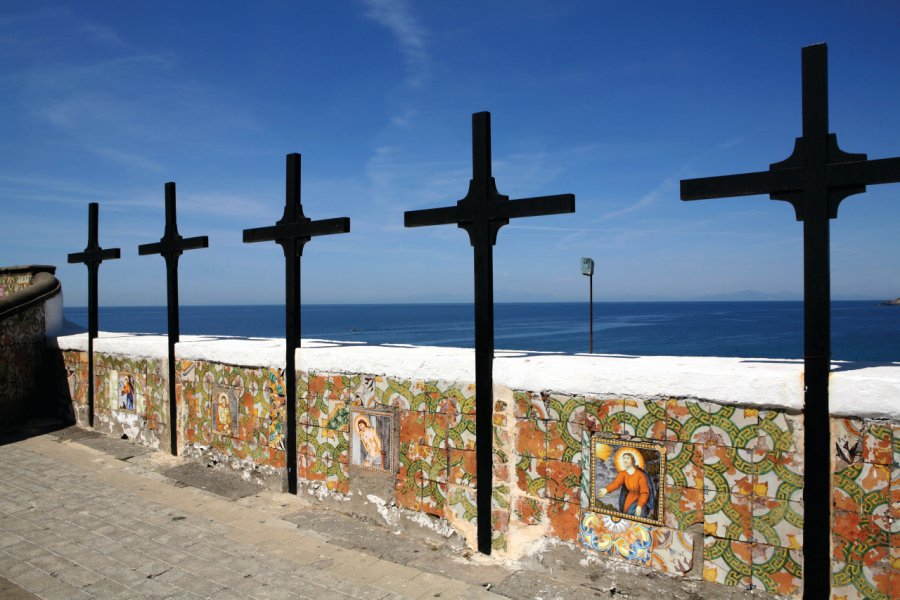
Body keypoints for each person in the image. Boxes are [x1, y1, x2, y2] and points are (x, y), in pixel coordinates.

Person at [596, 451, 656, 518]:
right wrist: (606, 489)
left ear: (632, 460)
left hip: (640, 499)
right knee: (626, 514)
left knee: (635, 515)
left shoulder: (640, 475)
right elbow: (616, 483)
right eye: (624, 458)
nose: (625, 460)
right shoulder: (623, 474)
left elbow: (644, 492)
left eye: (628, 458)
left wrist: (640, 505)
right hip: (629, 498)